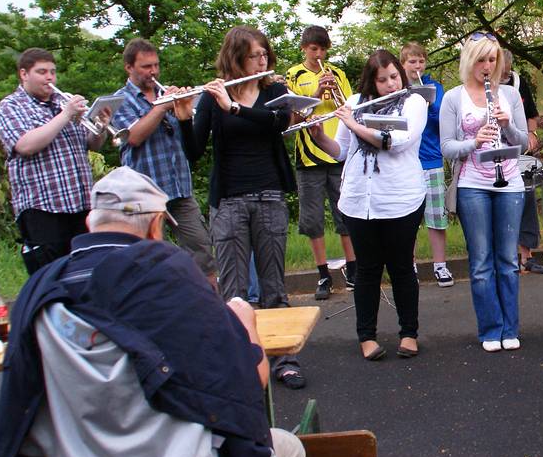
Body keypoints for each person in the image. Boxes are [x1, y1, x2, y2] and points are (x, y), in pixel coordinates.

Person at [0, 167, 313, 457]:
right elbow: (252, 381)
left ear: (90, 221)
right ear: (157, 224)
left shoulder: (41, 287)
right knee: (288, 449)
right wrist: (244, 323)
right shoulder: (169, 276)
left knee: (108, 437)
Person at [181, 25, 305, 389]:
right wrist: (185, 115)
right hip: (230, 200)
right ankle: (240, 363)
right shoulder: (212, 96)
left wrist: (234, 107)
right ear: (236, 57)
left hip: (269, 195)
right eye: (255, 55)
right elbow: (193, 151)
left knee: (273, 285)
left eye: (265, 53)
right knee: (234, 290)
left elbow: (275, 124)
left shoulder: (275, 91)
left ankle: (285, 360)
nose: (263, 59)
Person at [307, 50, 427, 361]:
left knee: (402, 267)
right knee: (367, 270)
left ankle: (409, 333)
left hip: (400, 199)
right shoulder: (356, 102)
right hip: (360, 201)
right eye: (383, 79)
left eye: (394, 77)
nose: (390, 84)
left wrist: (354, 123)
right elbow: (341, 151)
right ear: (371, 81)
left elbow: (395, 141)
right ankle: (366, 337)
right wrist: (320, 137)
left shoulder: (413, 102)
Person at [441, 34, 528, 351]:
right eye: (481, 60)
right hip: (472, 184)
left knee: (507, 259)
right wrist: (475, 142)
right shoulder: (454, 98)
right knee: (480, 262)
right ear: (469, 61)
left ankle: (510, 327)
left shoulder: (510, 95)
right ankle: (490, 329)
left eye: (492, 60)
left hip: (510, 183)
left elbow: (524, 144)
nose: (487, 66)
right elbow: (447, 146)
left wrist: (506, 126)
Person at [0, 48, 111, 274]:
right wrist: (65, 115)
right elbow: (25, 145)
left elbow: (91, 145)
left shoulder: (62, 101)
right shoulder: (10, 106)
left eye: (53, 72)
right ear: (24, 74)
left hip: (80, 203)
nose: (50, 77)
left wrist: (101, 127)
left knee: (85, 273)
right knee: (50, 277)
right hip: (42, 207)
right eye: (42, 72)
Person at [109, 38, 217, 281]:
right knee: (151, 260)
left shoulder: (166, 93)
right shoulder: (120, 101)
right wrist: (160, 107)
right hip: (143, 195)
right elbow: (133, 137)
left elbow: (191, 139)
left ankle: (211, 311)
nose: (154, 72)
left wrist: (185, 112)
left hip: (179, 189)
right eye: (146, 67)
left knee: (202, 252)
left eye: (156, 65)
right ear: (129, 68)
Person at [285, 26, 358, 300]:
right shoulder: (294, 74)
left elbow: (350, 108)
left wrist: (336, 91)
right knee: (313, 219)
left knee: (345, 214)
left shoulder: (337, 73)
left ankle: (353, 269)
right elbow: (292, 116)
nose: (319, 54)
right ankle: (323, 274)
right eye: (314, 49)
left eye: (323, 49)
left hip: (338, 153)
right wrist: (316, 93)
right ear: (304, 48)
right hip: (309, 156)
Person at [400, 41, 454, 286]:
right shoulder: (398, 88)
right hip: (406, 161)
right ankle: (408, 265)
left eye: (421, 60)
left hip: (431, 158)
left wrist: (430, 104)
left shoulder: (435, 87)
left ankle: (440, 265)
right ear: (403, 64)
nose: (417, 65)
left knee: (436, 216)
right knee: (407, 217)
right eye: (412, 61)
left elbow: (442, 121)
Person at [500, 48, 543, 274]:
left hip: (520, 152)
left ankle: (526, 255)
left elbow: (532, 114)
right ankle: (505, 257)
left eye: (506, 73)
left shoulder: (519, 83)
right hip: (493, 157)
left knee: (527, 199)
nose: (504, 77)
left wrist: (532, 134)